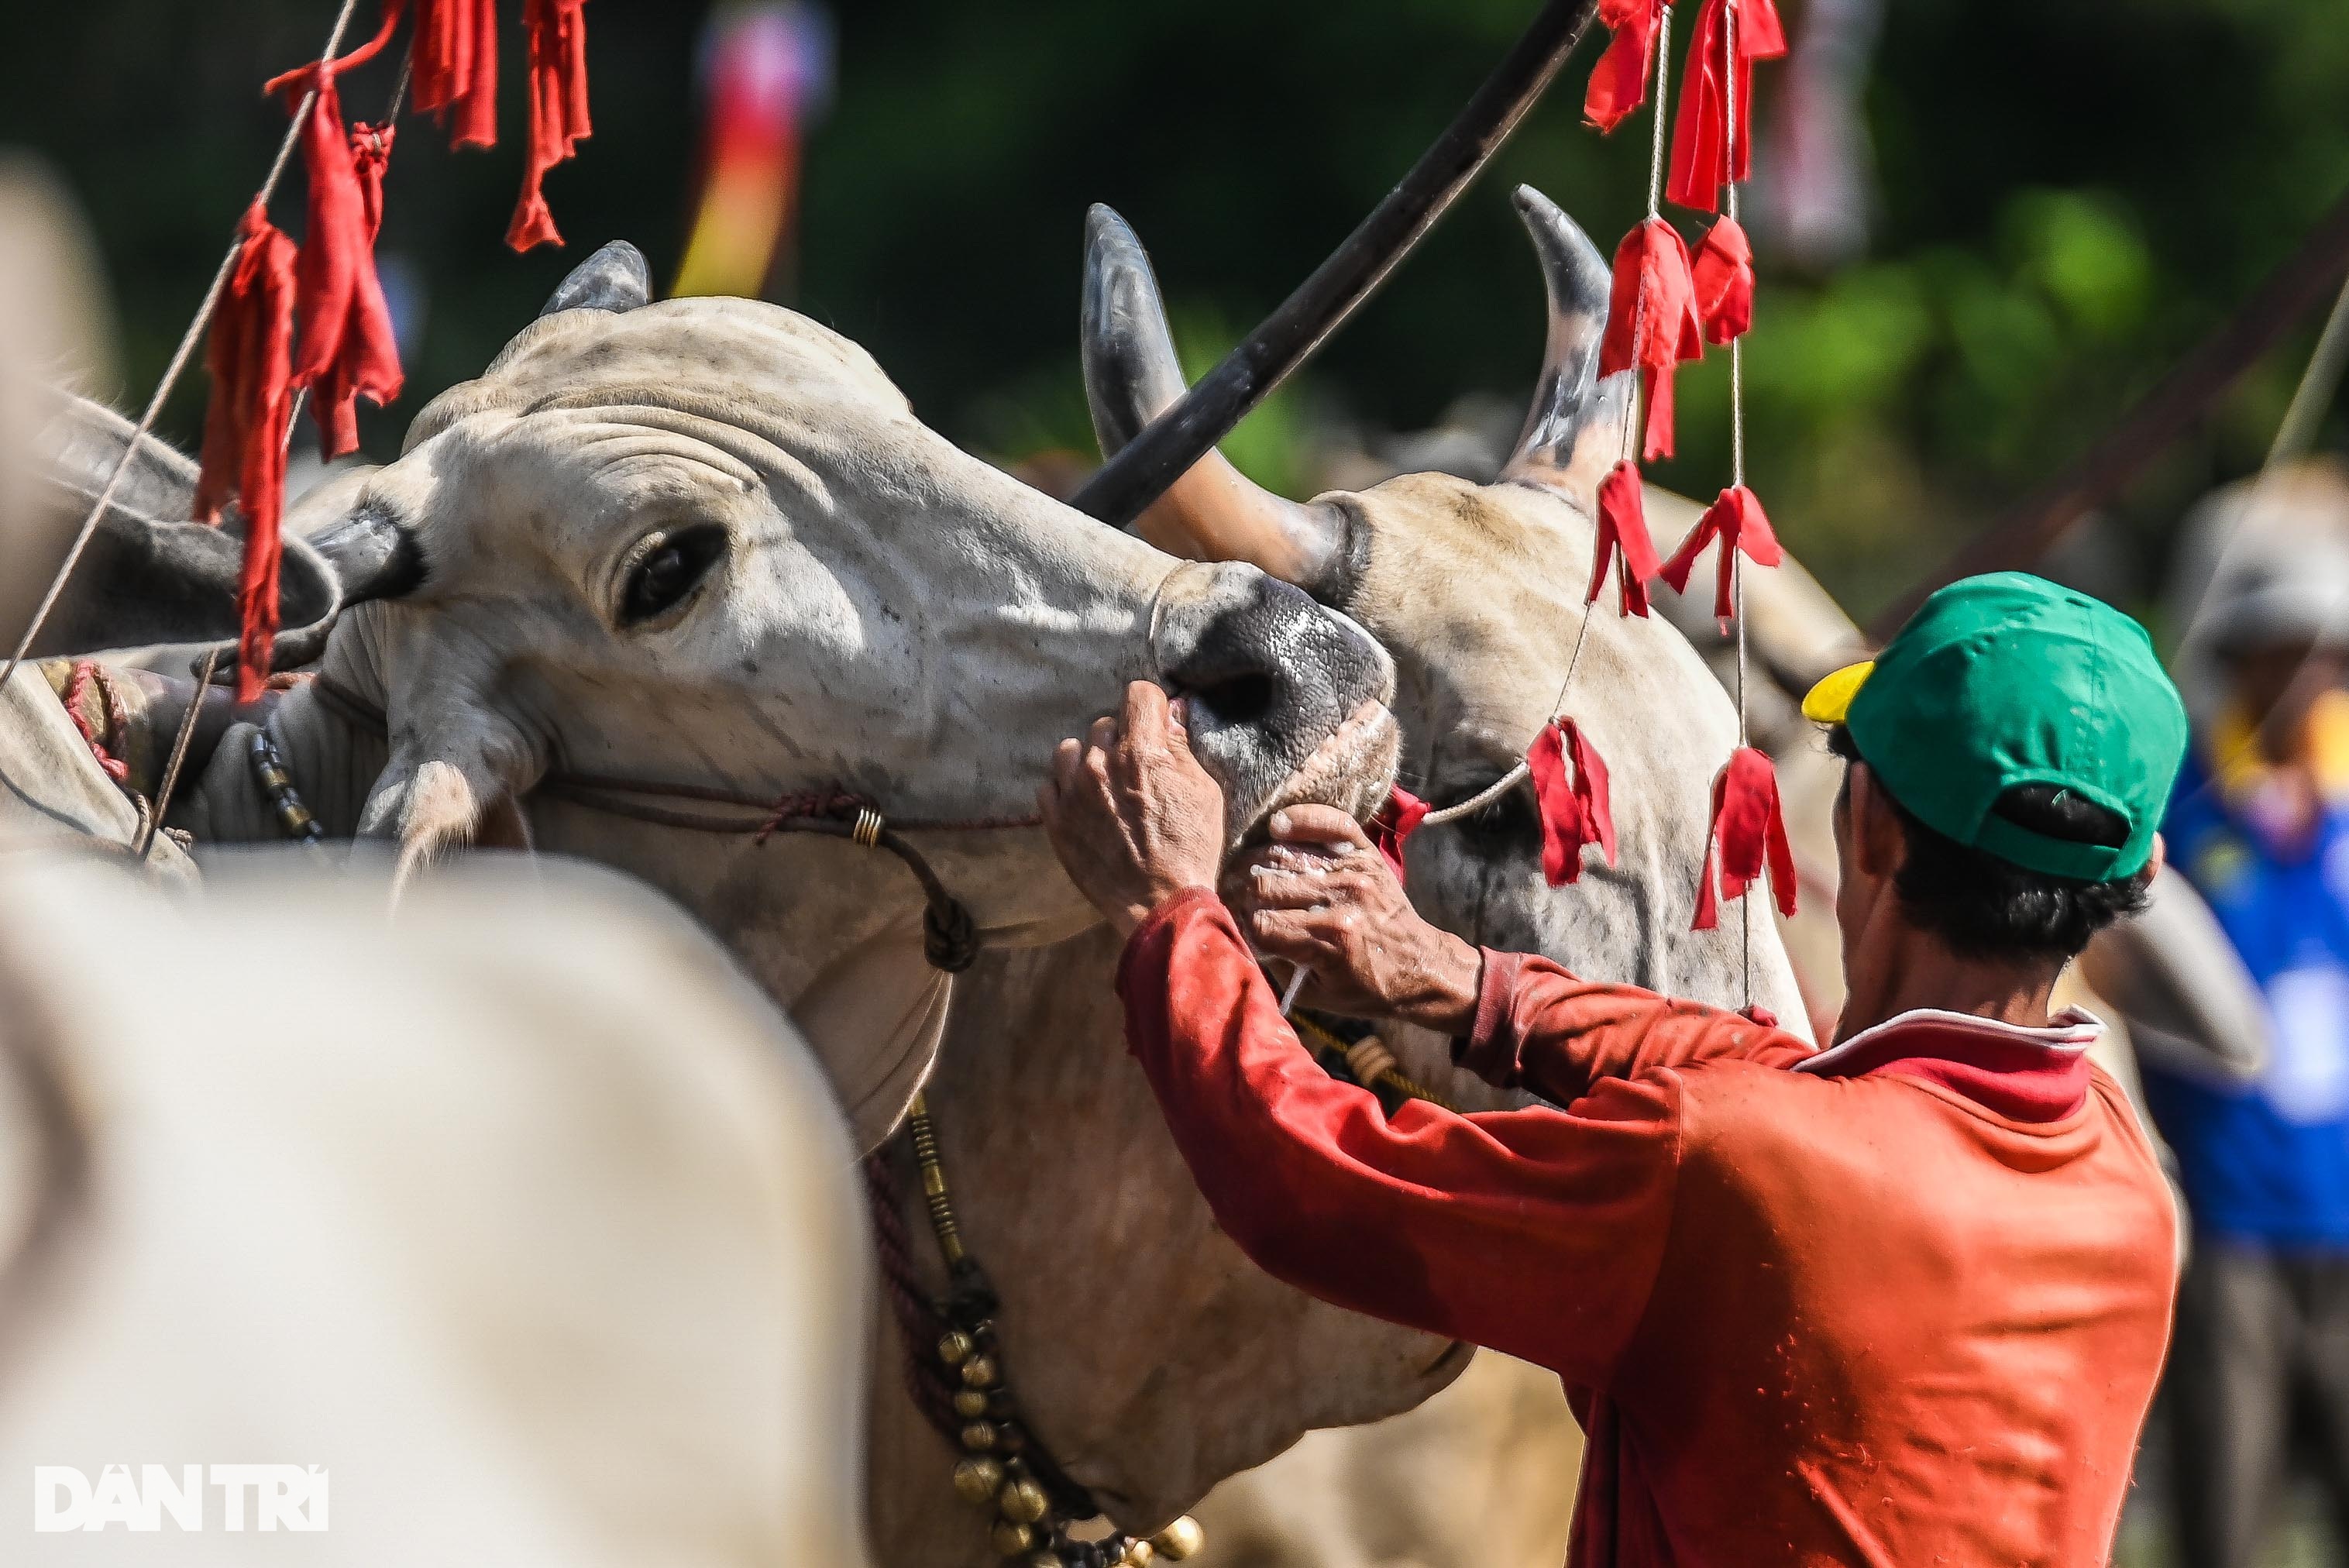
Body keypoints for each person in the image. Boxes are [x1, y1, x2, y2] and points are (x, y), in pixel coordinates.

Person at [1040, 572, 2186, 1566]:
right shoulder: (2123, 1177)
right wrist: (1450, 978)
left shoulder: (1747, 1168)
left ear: (1871, 828)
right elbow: (1787, 1089)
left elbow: (1322, 1183)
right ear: (2138, 873)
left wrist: (1168, 911)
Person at [2141, 548, 2349, 1568]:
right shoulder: (2187, 807)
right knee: (2223, 1522)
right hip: (2229, 1230)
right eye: (2289, 654)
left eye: (2331, 659)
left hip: (2344, 1220)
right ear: (2244, 662)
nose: (2312, 678)